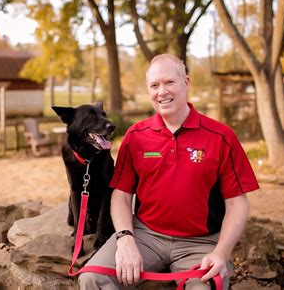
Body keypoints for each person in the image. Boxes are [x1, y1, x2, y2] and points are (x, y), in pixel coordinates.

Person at [78, 54, 259, 289]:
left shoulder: (221, 137)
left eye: (169, 82)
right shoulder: (135, 136)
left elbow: (238, 203)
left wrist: (221, 253)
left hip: (201, 243)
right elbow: (121, 195)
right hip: (146, 236)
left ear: (186, 82)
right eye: (154, 85)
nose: (162, 91)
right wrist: (125, 240)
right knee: (92, 278)